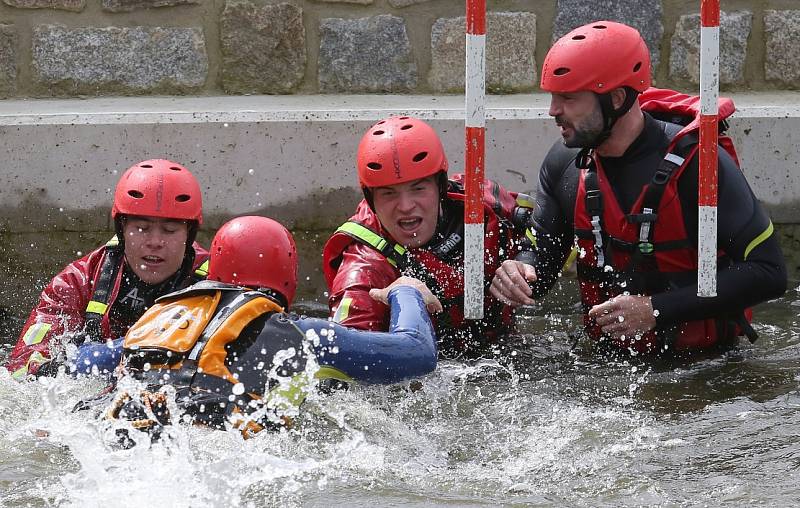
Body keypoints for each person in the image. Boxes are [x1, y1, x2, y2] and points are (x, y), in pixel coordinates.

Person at [491, 20, 787, 355]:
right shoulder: (565, 164)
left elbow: (770, 272)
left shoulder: (700, 165)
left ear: (616, 98)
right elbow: (542, 259)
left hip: (704, 365)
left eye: (568, 98)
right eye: (554, 98)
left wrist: (655, 310)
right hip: (605, 364)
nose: (553, 111)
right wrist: (520, 269)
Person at [91, 216, 440, 438]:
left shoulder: (160, 323)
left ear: (214, 274)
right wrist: (405, 291)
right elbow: (417, 353)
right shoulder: (305, 335)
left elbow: (81, 362)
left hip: (119, 435)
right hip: (218, 453)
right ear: (287, 279)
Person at [322, 116, 535, 358]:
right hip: (425, 380)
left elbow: (552, 232)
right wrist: (402, 298)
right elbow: (342, 363)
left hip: (509, 356)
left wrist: (525, 261)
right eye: (389, 194)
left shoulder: (482, 203)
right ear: (371, 200)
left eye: (418, 188)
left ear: (440, 187)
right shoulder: (364, 266)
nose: (405, 206)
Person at [6, 159, 210, 379]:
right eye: (141, 228)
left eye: (169, 231)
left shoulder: (217, 281)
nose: (155, 242)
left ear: (189, 236)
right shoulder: (77, 281)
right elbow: (19, 373)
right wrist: (73, 365)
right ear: (122, 230)